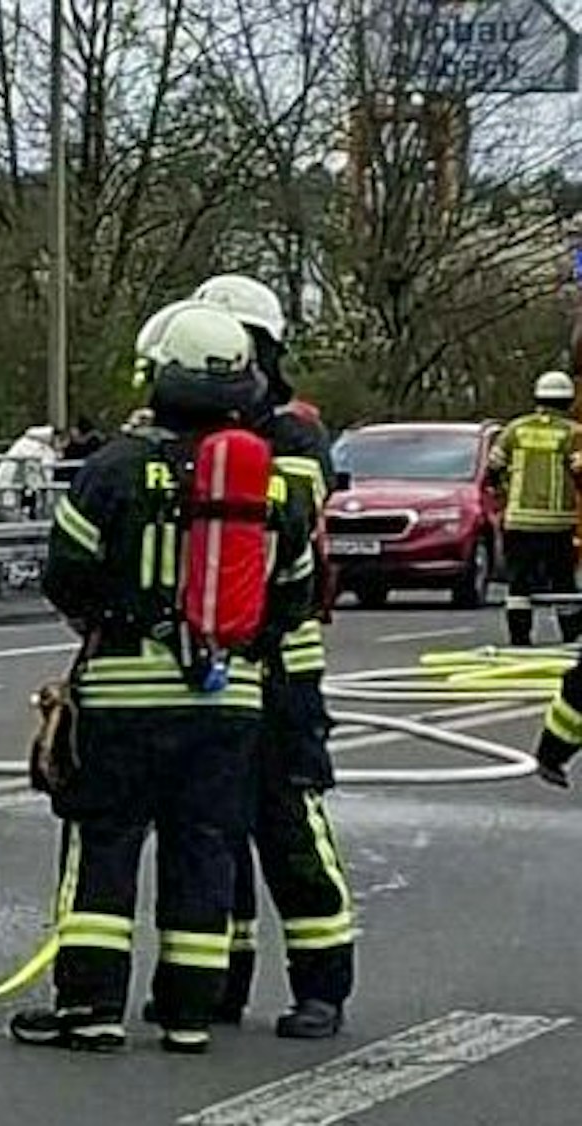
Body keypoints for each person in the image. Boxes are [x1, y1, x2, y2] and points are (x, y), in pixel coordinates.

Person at [10, 302, 316, 1055]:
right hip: (231, 702)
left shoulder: (114, 468)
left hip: (122, 696)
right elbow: (297, 593)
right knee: (205, 847)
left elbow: (65, 572)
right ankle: (186, 1014)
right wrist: (236, 647)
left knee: (104, 843)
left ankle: (91, 1008)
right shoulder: (272, 485)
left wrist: (112, 628)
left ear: (160, 378)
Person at [184, 272, 354, 1040]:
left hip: (281, 662)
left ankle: (322, 986)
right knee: (212, 826)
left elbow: (282, 525)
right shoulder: (191, 436)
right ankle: (220, 980)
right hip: (212, 661)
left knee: (287, 821)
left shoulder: (294, 435)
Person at [486, 371, 582, 647]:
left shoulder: (515, 429)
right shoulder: (573, 434)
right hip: (558, 523)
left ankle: (519, 638)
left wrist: (503, 490)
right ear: (568, 400)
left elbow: (493, 468)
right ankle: (571, 636)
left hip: (518, 522)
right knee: (563, 582)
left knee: (519, 585)